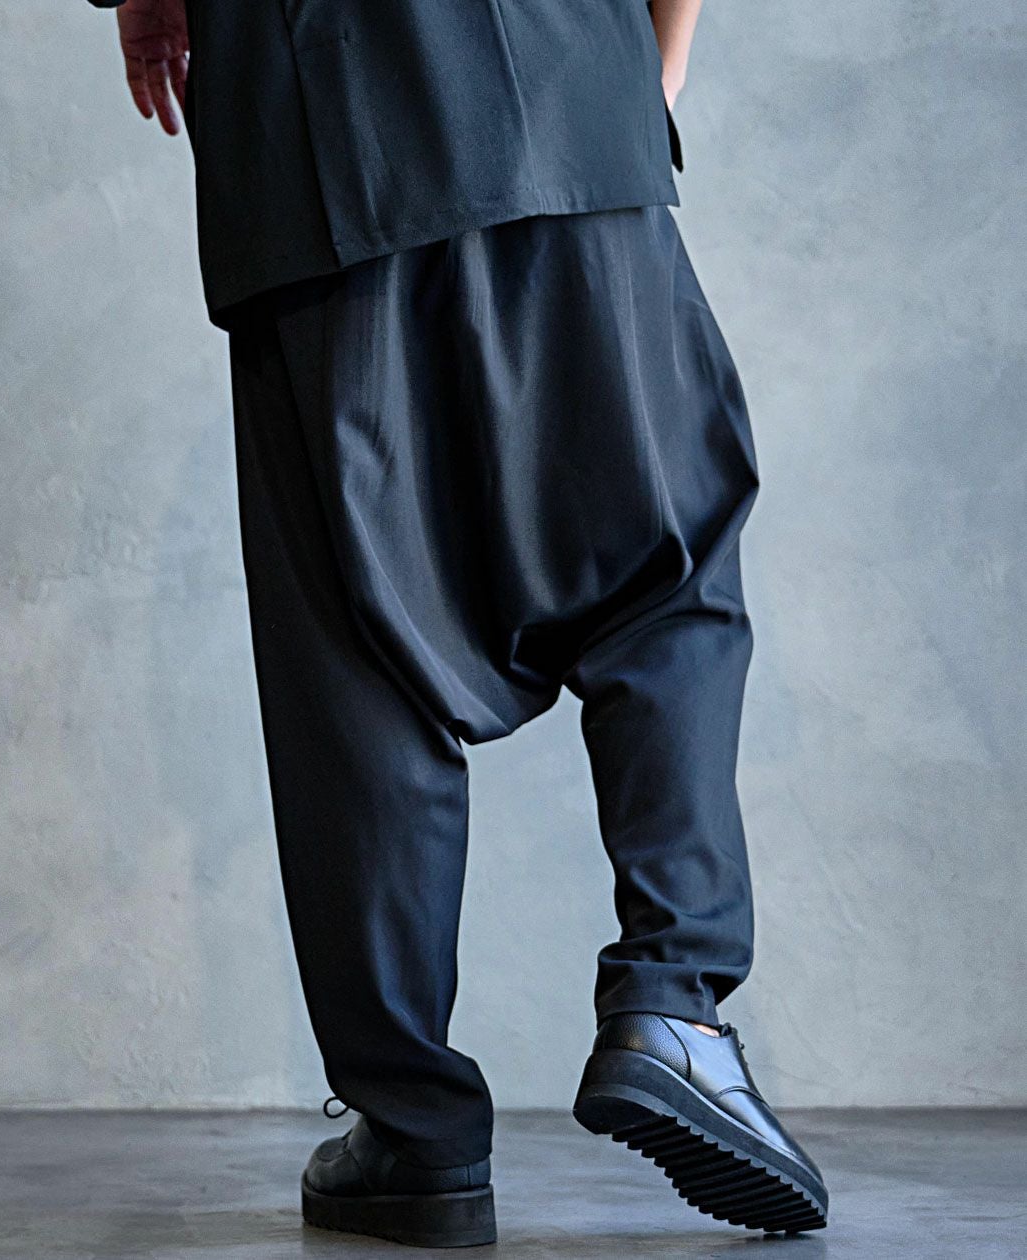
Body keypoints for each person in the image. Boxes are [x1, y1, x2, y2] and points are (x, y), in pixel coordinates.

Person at [86, 0, 829, 1246]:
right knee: (665, 571)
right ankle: (674, 1000)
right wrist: (647, 61)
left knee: (357, 654)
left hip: (308, 135)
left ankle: (418, 1135)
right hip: (561, 79)